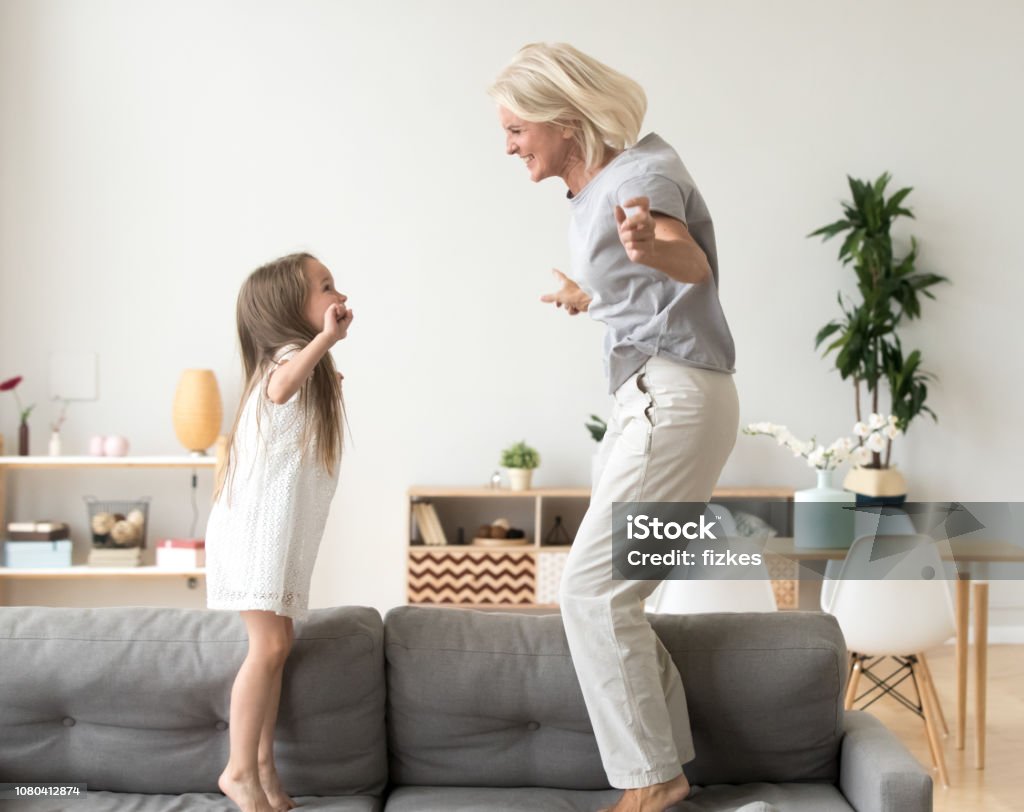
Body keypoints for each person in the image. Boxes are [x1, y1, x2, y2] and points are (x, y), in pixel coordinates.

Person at [489, 44, 739, 812]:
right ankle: (665, 772)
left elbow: (685, 261)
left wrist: (652, 243)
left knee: (591, 593)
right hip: (659, 399)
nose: (507, 145)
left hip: (672, 402)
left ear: (565, 121)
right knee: (614, 598)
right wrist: (587, 299)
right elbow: (651, 301)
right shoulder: (604, 185)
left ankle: (652, 782)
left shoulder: (638, 179)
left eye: (516, 127)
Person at [205, 252, 353, 812]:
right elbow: (280, 389)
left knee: (279, 643)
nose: (337, 294)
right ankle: (238, 770)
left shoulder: (302, 365)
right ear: (290, 310)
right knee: (266, 645)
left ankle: (265, 766)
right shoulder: (286, 359)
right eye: (325, 287)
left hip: (276, 537)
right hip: (253, 536)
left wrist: (326, 379)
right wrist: (324, 345)